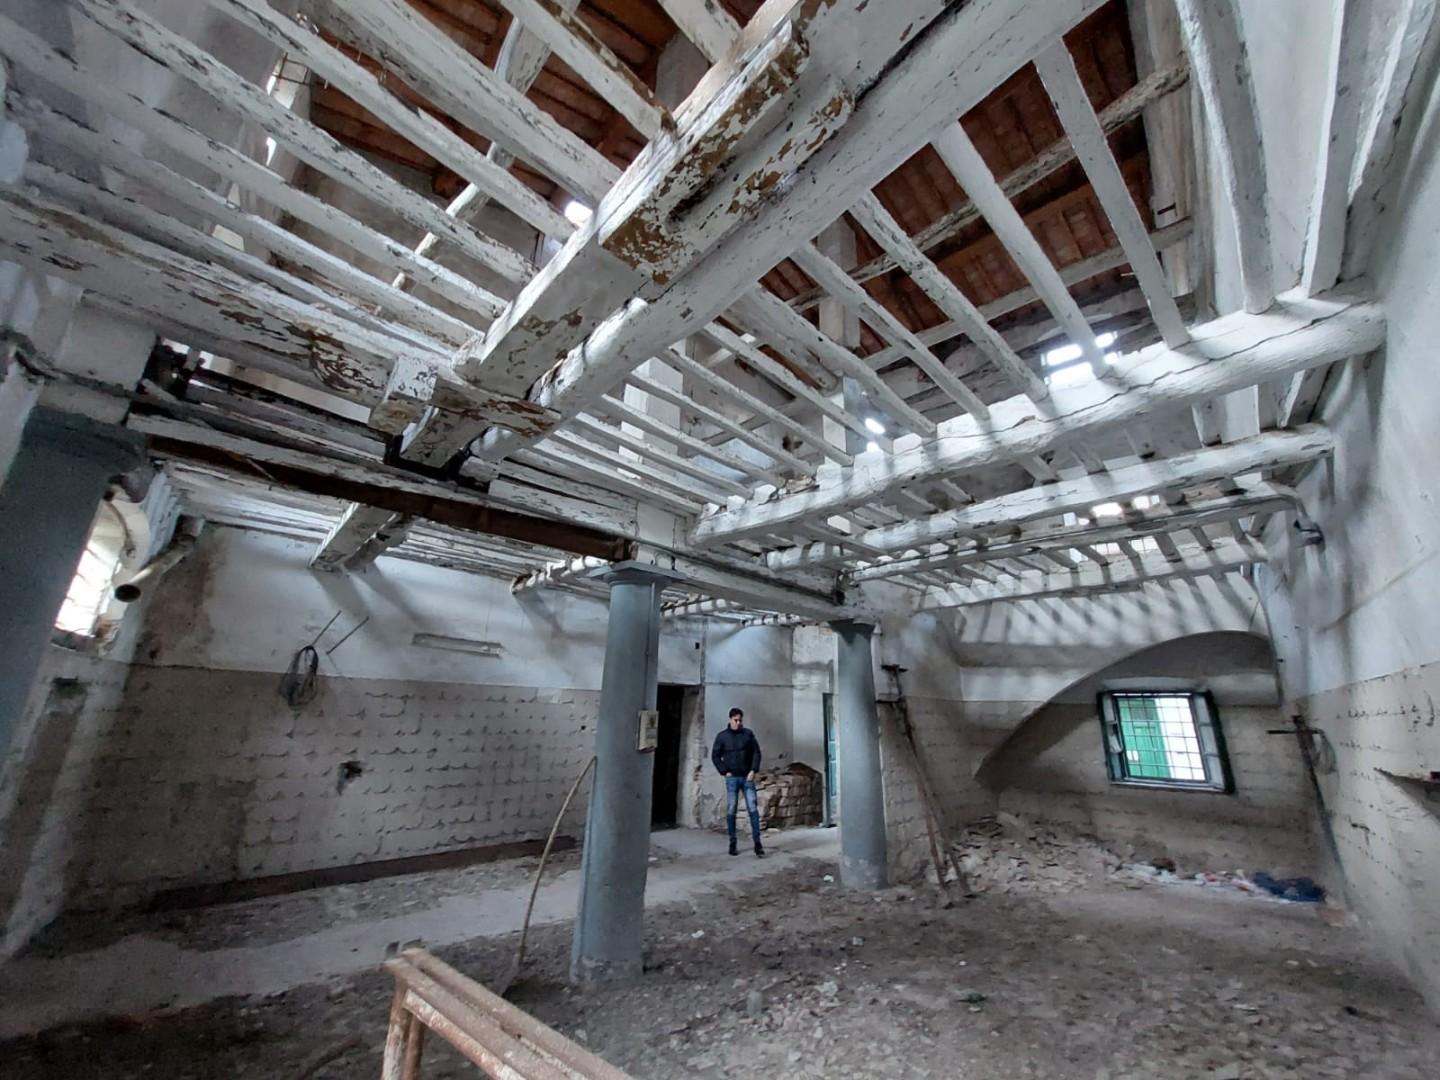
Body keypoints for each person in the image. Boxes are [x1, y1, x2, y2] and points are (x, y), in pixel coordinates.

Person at [711, 707, 764, 857]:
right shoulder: (722, 737)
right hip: (732, 778)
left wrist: (753, 770)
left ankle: (757, 843)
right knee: (731, 809)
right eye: (736, 720)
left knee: (752, 808)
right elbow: (715, 756)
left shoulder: (748, 734)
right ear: (730, 720)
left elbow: (756, 752)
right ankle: (732, 843)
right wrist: (724, 771)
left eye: (740, 720)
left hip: (747, 777)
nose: (738, 723)